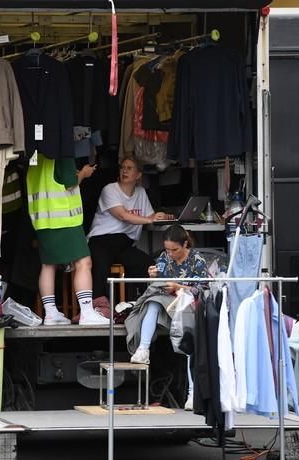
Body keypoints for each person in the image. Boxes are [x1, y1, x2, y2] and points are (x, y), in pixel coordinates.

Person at [125, 225, 209, 409]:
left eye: (175, 250)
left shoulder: (197, 260)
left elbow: (204, 290)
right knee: (152, 301)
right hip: (166, 305)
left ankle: (193, 393)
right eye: (167, 249)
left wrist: (179, 287)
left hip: (188, 305)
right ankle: (143, 349)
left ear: (185, 244)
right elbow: (158, 285)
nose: (170, 254)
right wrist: (153, 276)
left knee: (190, 345)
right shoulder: (164, 257)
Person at [26, 153, 108, 326]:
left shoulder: (34, 153)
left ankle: (50, 314)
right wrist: (84, 174)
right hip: (65, 218)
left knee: (48, 265)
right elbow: (70, 183)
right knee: (84, 263)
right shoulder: (62, 152)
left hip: (42, 219)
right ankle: (86, 312)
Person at [87, 156, 170, 299]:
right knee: (100, 267)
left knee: (147, 265)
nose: (124, 171)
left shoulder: (141, 192)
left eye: (129, 168)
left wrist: (162, 217)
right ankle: (97, 306)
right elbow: (122, 216)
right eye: (122, 168)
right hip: (101, 240)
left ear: (138, 175)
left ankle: (146, 302)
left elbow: (151, 217)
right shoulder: (110, 189)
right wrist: (150, 219)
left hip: (124, 243)